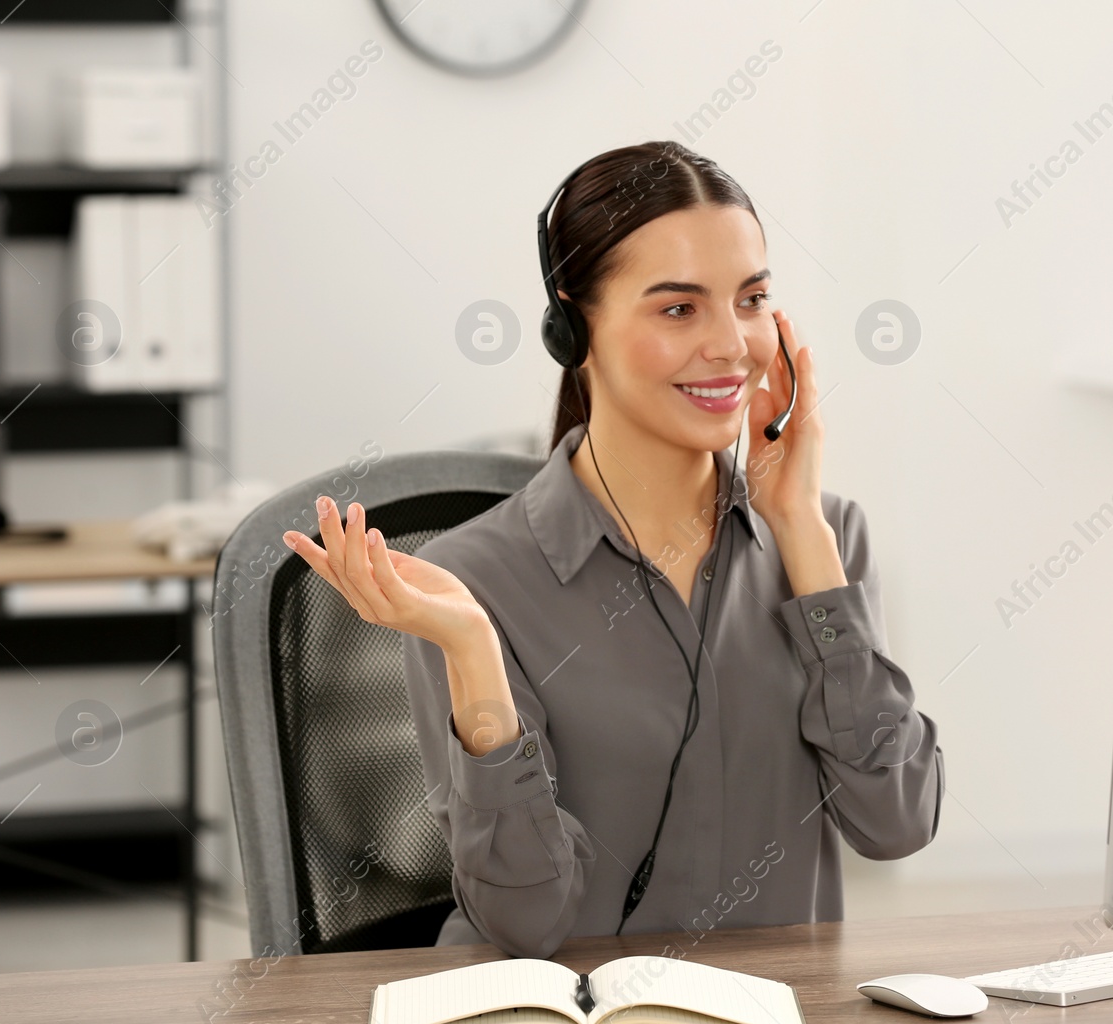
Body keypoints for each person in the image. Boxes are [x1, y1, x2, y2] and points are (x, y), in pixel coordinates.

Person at [281, 140, 943, 960]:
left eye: (752, 298)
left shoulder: (825, 536)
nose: (733, 345)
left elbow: (897, 821)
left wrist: (801, 536)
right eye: (678, 309)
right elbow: (526, 921)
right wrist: (471, 647)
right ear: (572, 328)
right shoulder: (468, 582)